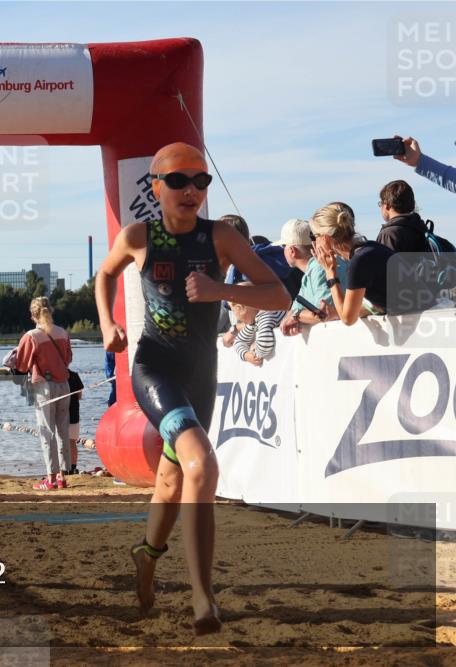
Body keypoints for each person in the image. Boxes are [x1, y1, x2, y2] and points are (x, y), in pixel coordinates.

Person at [94, 142, 289, 635]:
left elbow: (279, 293)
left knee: (171, 477)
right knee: (201, 462)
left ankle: (147, 555)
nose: (190, 191)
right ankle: (204, 600)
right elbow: (104, 275)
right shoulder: (138, 236)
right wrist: (105, 324)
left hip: (201, 375)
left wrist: (222, 290)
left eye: (199, 182)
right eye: (178, 181)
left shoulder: (220, 237)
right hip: (155, 368)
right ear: (156, 186)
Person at [15, 296, 73, 491]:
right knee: (63, 430)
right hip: (64, 384)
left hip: (44, 387)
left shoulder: (31, 336)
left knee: (46, 431)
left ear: (33, 315)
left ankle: (50, 478)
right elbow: (68, 359)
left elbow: (21, 366)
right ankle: (63, 476)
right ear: (51, 311)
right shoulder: (63, 333)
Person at [311, 202, 396, 323]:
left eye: (315, 236)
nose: (314, 242)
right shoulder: (372, 248)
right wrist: (337, 313)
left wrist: (330, 273)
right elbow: (381, 301)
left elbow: (348, 319)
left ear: (325, 237)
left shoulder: (359, 261)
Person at [277, 217, 347, 336]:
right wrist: (295, 316)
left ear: (292, 251)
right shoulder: (311, 270)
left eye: (283, 246)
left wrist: (297, 316)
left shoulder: (318, 268)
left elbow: (324, 313)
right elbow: (294, 310)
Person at [376, 180, 430, 253]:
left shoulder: (389, 234)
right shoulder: (421, 229)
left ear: (386, 204)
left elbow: (386, 263)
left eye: (380, 204)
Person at [67, 369, 84, 474]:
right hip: (73, 412)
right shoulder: (74, 375)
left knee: (61, 441)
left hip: (60, 413)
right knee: (72, 442)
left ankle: (64, 467)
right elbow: (79, 396)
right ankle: (73, 467)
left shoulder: (54, 375)